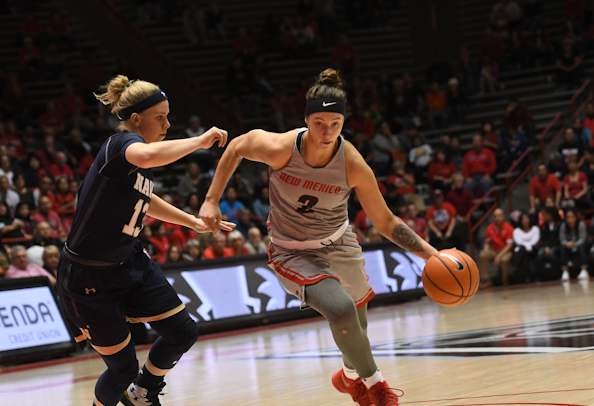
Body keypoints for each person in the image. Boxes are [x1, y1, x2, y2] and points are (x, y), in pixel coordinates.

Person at [199, 68, 439, 406]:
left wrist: (434, 255)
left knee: (358, 328)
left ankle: (349, 378)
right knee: (340, 309)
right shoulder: (281, 148)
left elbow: (386, 222)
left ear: (344, 124)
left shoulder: (352, 163)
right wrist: (211, 200)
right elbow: (237, 147)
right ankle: (379, 388)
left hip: (340, 242)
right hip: (291, 251)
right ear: (306, 120)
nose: (326, 132)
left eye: (335, 124)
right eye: (319, 123)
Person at [55, 75, 234, 406]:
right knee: (122, 369)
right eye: (160, 117)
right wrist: (198, 141)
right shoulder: (120, 146)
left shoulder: (139, 160)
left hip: (130, 262)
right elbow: (149, 157)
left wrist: (192, 222)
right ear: (136, 119)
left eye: (168, 116)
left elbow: (146, 199)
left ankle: (142, 393)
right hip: (87, 275)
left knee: (183, 332)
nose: (167, 124)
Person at [479, 208, 514, 288]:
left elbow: (509, 245)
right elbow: (487, 243)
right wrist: (486, 248)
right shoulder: (490, 228)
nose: (497, 218)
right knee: (483, 255)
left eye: (499, 216)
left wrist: (499, 256)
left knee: (504, 259)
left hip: (505, 251)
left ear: (503, 216)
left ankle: (505, 280)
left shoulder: (508, 228)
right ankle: (486, 280)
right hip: (494, 251)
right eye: (495, 216)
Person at [559, 209, 590, 281]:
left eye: (572, 217)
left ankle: (584, 270)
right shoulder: (563, 226)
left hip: (581, 244)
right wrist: (567, 244)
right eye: (568, 217)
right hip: (569, 245)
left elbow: (583, 239)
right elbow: (562, 239)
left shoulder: (581, 224)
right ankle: (565, 271)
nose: (570, 219)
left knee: (581, 247)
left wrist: (575, 244)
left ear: (575, 217)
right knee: (562, 248)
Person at [511, 212, 540, 283]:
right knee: (523, 250)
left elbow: (535, 241)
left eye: (527, 219)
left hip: (533, 251)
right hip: (521, 251)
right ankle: (527, 277)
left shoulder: (535, 229)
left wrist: (528, 247)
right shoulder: (516, 231)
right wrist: (527, 247)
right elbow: (518, 242)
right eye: (523, 219)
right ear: (520, 221)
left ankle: (516, 268)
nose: (525, 221)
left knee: (524, 251)